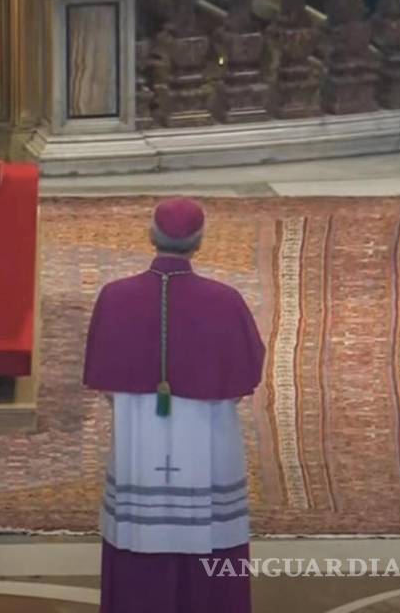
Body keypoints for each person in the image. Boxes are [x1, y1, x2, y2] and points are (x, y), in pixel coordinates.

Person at [83, 198, 265, 613]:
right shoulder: (225, 301)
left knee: (139, 531)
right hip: (208, 434)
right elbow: (245, 376)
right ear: (198, 243)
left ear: (151, 235)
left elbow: (106, 382)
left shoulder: (115, 297)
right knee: (210, 531)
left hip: (138, 435)